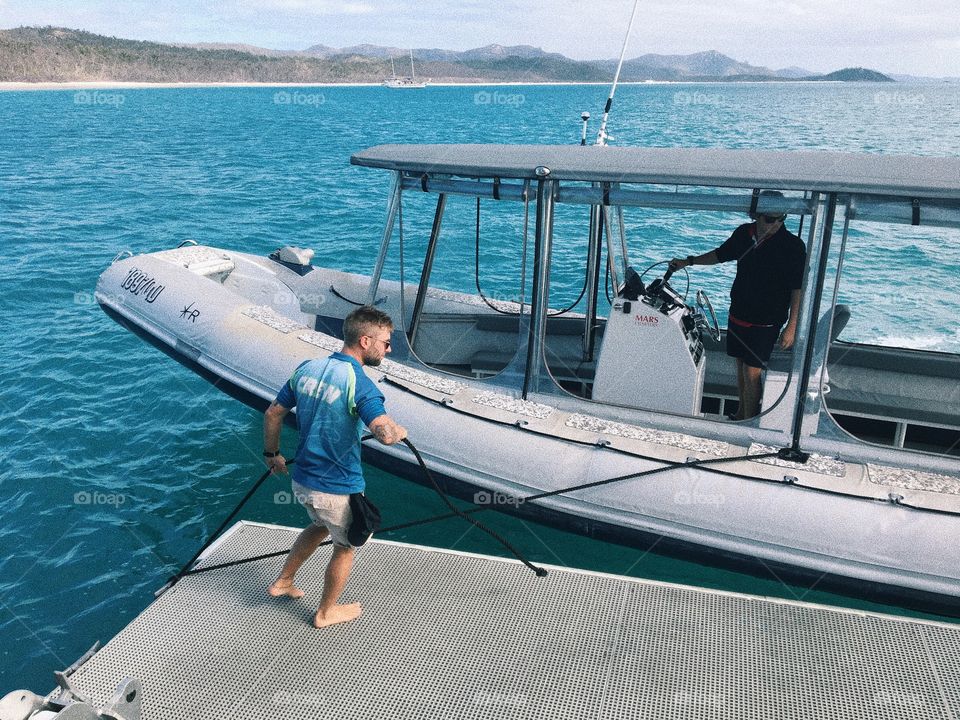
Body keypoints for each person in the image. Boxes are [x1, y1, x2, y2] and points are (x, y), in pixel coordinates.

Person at [262, 305, 407, 628]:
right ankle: (326, 612)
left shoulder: (308, 368)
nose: (389, 348)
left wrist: (272, 455)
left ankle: (284, 581)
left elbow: (273, 413)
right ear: (366, 341)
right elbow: (383, 433)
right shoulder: (361, 384)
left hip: (302, 482)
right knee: (346, 547)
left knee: (318, 526)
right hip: (336, 488)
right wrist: (398, 432)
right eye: (385, 341)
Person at [670, 191, 806, 420]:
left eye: (781, 219)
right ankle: (741, 413)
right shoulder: (744, 234)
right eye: (769, 219)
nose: (775, 224)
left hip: (767, 319)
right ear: (757, 216)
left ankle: (748, 421)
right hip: (739, 313)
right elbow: (720, 254)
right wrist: (689, 262)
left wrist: (791, 327)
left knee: (752, 371)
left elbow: (797, 289)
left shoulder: (792, 246)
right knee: (740, 365)